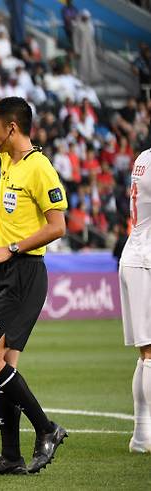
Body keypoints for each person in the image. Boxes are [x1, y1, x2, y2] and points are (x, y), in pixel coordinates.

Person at [0, 37, 69, 475]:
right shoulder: (9, 158)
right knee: (3, 368)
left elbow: (58, 225)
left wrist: (12, 247)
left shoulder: (39, 168)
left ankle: (46, 428)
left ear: (14, 130)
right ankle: (12, 456)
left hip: (24, 271)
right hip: (3, 272)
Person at [118, 146, 151, 453]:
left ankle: (141, 437)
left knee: (147, 355)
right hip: (145, 260)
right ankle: (142, 436)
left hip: (137, 254)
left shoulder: (144, 157)